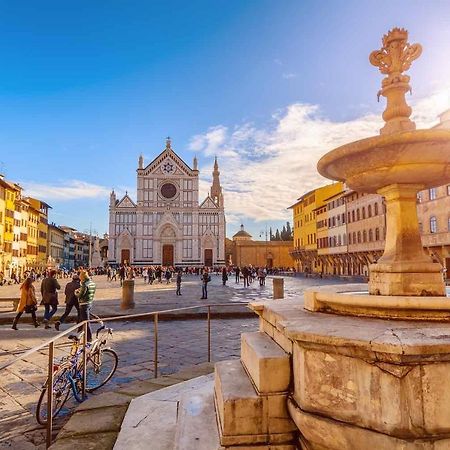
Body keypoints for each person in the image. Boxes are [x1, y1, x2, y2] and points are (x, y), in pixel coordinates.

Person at [76, 270, 96, 342]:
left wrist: (76, 293)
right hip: (90, 302)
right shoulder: (92, 283)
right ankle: (79, 334)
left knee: (86, 322)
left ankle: (89, 338)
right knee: (82, 320)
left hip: (84, 304)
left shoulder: (85, 284)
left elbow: (81, 295)